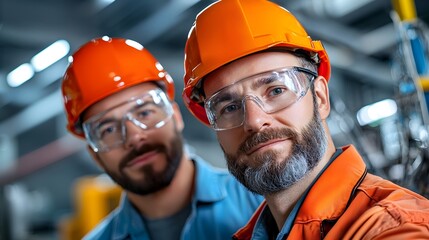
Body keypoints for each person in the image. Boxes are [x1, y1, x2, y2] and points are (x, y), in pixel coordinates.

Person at [181, 0, 429, 239]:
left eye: (276, 90)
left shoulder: (394, 228)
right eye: (230, 106)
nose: (255, 121)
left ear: (320, 97)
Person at [61, 37, 263, 240]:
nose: (134, 136)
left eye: (144, 113)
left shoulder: (261, 203)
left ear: (175, 116)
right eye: (109, 129)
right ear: (94, 155)